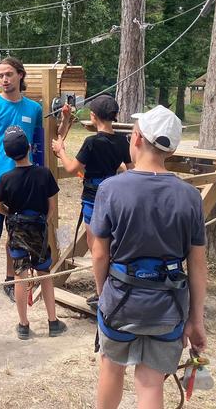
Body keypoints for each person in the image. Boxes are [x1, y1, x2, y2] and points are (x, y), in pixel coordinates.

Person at [91, 106, 207, 409]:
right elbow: (197, 264)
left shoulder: (111, 189)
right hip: (168, 306)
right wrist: (196, 319)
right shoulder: (190, 196)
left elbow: (100, 252)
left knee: (111, 368)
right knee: (151, 382)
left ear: (137, 137)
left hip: (119, 302)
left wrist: (103, 294)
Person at [0, 57, 43, 302]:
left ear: (20, 75)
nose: (4, 79)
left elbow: (39, 144)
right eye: (1, 75)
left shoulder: (34, 109)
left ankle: (11, 278)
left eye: (9, 74)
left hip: (24, 180)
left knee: (17, 231)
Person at [51, 95, 132, 305]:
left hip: (93, 198)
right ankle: (112, 284)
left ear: (94, 116)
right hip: (114, 196)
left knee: (96, 246)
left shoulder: (92, 142)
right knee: (109, 242)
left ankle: (101, 294)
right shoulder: (122, 140)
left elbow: (71, 168)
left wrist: (60, 152)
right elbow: (129, 169)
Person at [0, 126, 67, 340]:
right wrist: (44, 219)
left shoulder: (6, 178)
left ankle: (23, 325)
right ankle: (53, 322)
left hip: (17, 232)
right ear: (28, 148)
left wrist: (11, 214)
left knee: (20, 277)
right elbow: (52, 205)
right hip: (39, 232)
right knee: (45, 275)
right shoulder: (44, 173)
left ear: (7, 154)